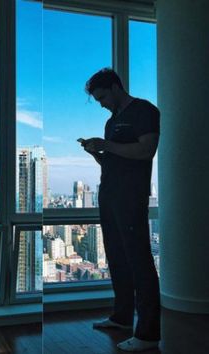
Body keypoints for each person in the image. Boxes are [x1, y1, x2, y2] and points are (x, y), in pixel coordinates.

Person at [78, 68, 161, 352]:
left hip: (131, 197)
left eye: (102, 97)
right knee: (116, 257)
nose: (101, 104)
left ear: (115, 87)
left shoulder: (145, 111)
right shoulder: (111, 122)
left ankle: (148, 334)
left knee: (139, 261)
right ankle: (122, 317)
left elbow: (146, 151)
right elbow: (114, 161)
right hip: (109, 195)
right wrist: (97, 153)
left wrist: (107, 145)